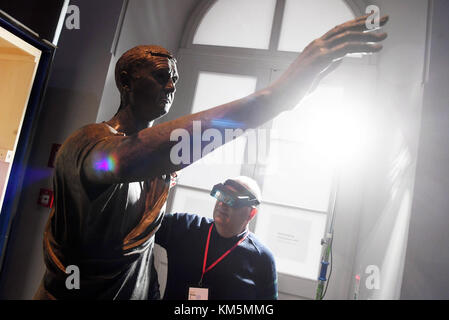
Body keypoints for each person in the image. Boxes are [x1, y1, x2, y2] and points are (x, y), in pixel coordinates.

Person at [34, 14, 389, 299]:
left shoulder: (157, 170)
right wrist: (275, 98)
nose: (171, 86)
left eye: (174, 79)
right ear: (125, 81)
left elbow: (141, 256)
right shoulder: (88, 146)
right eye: (160, 77)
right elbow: (133, 159)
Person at [155, 176, 277, 300]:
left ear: (251, 214)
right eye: (221, 195)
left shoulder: (262, 259)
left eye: (233, 200)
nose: (222, 203)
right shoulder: (183, 226)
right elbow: (140, 225)